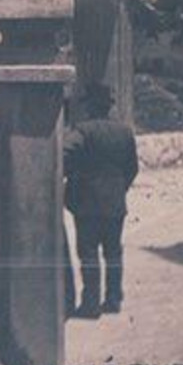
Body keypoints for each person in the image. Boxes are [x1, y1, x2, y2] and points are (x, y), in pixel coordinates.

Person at [64, 83, 139, 318]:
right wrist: (118, 189)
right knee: (113, 252)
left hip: (86, 203)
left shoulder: (83, 131)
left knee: (88, 253)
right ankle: (114, 299)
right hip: (115, 203)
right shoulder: (124, 132)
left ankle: (91, 304)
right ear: (108, 107)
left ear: (90, 107)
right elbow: (132, 168)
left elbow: (63, 153)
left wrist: (71, 176)